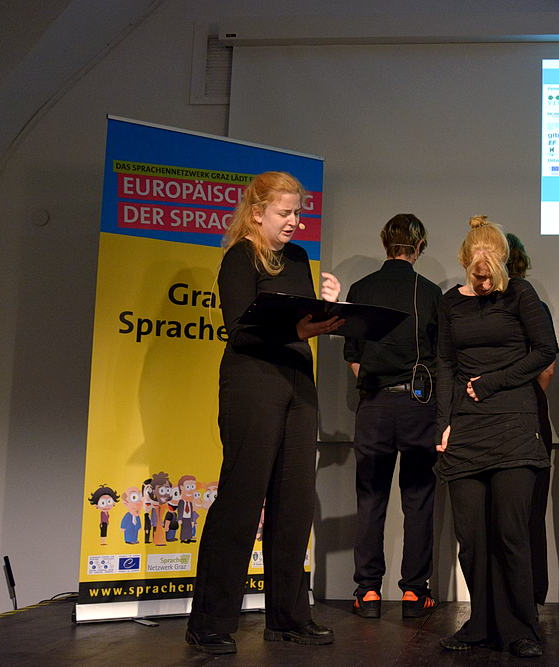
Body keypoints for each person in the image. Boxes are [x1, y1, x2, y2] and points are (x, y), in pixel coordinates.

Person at [186, 171, 344, 655]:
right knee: (241, 499)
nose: (294, 221)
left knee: (294, 503)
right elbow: (240, 331)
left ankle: (287, 617)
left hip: (297, 383)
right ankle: (210, 621)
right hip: (252, 383)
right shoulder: (240, 257)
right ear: (257, 213)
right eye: (284, 212)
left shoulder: (297, 258)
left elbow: (301, 322)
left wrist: (327, 309)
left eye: (298, 212)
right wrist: (299, 330)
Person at [435, 216, 557, 658]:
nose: (484, 282)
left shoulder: (520, 294)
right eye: (477, 274)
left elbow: (545, 350)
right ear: (466, 262)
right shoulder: (450, 303)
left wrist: (493, 382)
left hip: (514, 425)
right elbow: (445, 363)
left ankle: (521, 628)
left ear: (502, 261)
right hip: (467, 428)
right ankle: (480, 625)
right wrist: (444, 421)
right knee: (471, 537)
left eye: (490, 274)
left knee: (510, 533)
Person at [343, 213, 441, 619]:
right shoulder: (431, 293)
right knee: (418, 499)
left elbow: (352, 356)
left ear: (386, 242)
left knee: (371, 498)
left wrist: (374, 384)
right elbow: (441, 359)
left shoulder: (361, 289)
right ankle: (415, 593)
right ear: (419, 246)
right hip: (419, 405)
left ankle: (367, 592)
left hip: (375, 405)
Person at [505, 232, 556, 608]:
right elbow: (547, 368)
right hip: (532, 413)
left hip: (494, 413)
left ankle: (502, 595)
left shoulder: (479, 306)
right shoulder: (535, 304)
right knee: (532, 511)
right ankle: (534, 593)